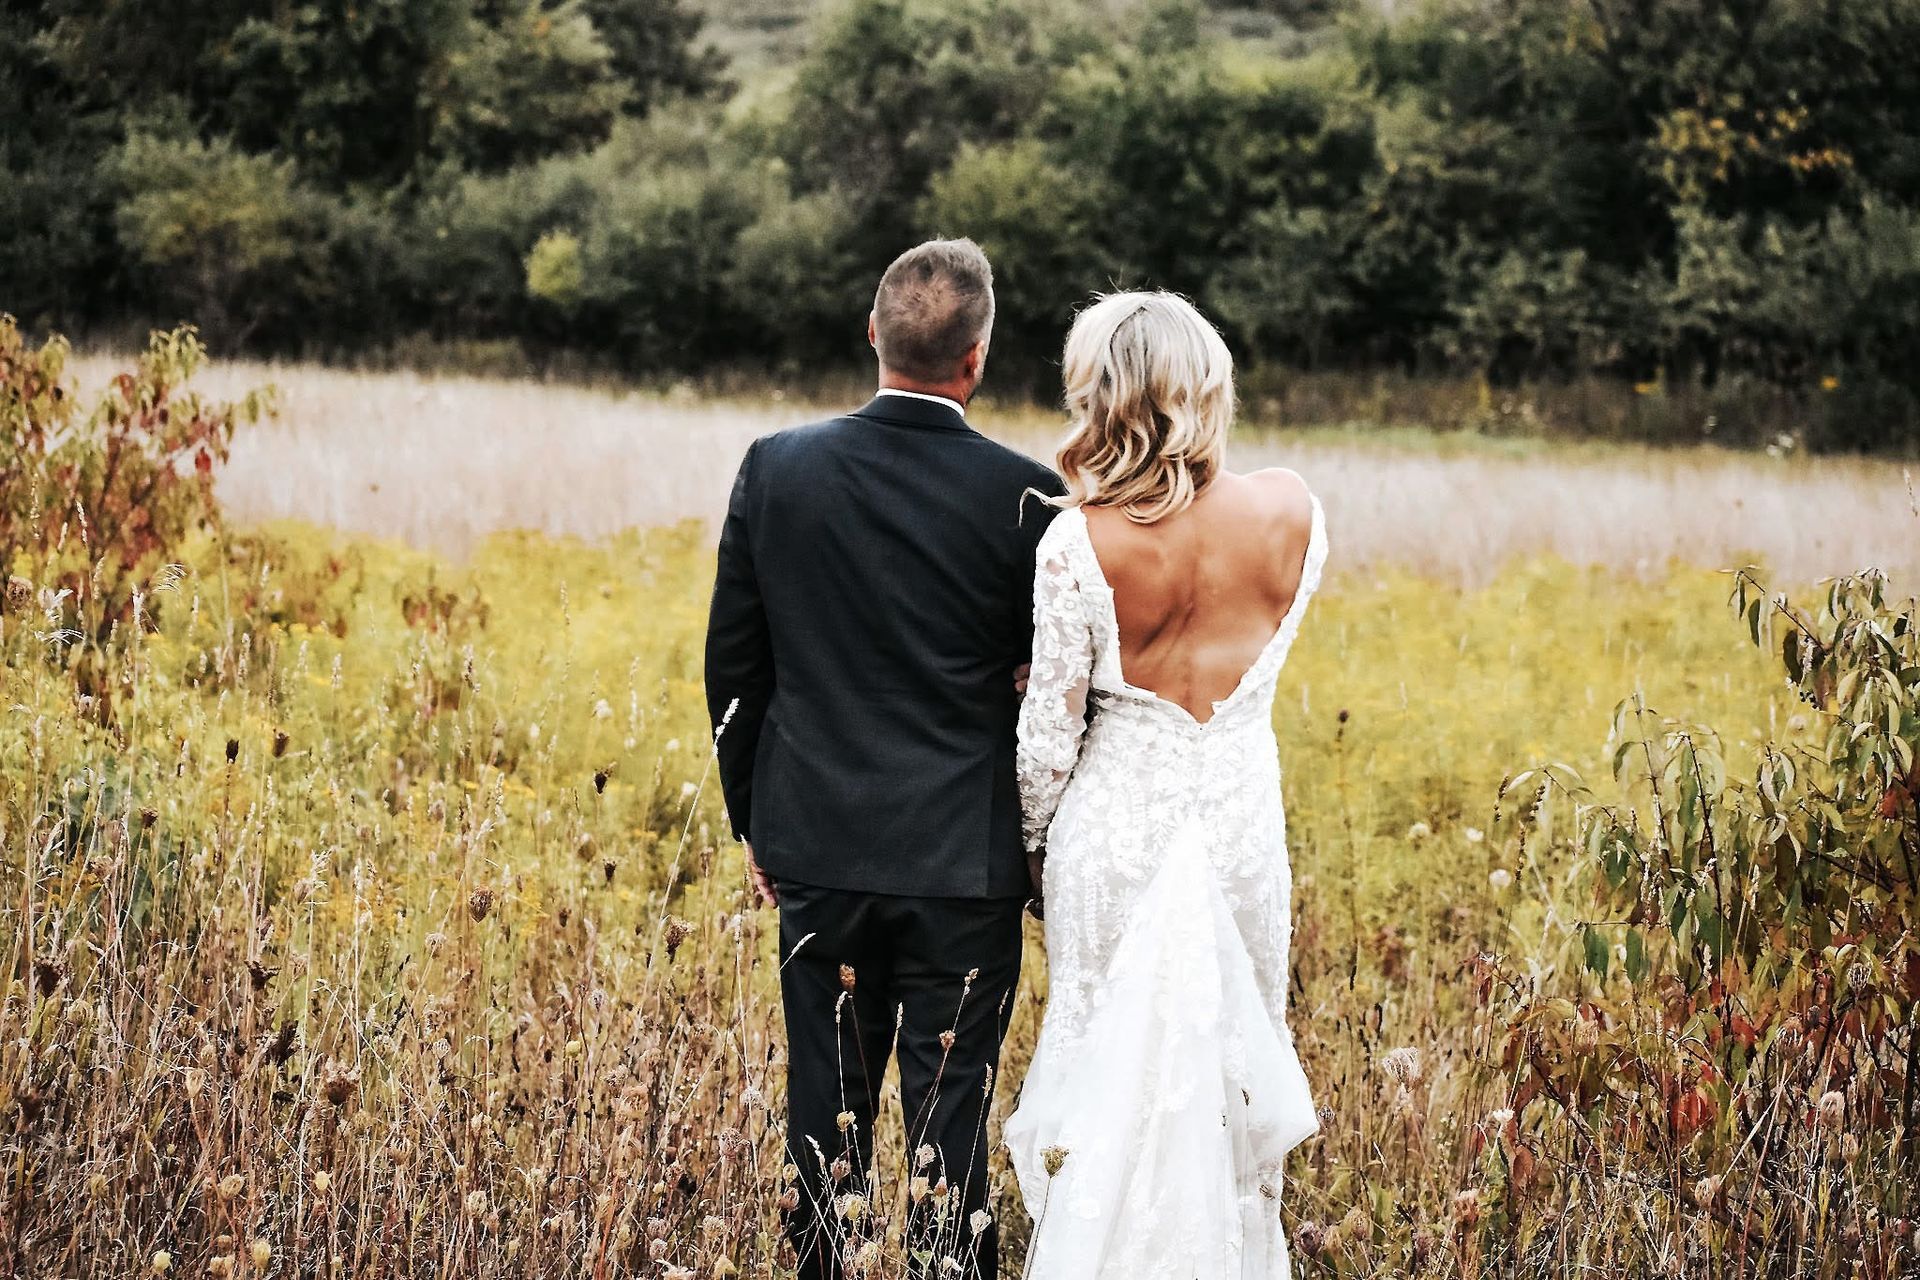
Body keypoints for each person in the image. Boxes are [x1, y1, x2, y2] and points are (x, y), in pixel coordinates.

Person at [703, 238, 1063, 1280]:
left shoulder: (777, 467)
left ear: (872, 332)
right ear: (979, 356)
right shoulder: (1027, 497)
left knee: (826, 1114)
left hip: (817, 844)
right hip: (965, 860)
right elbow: (1050, 687)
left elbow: (735, 666)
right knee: (952, 1129)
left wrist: (756, 822)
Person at [1005, 291, 1325, 1278]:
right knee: (1228, 1066)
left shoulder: (1077, 542)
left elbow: (1046, 743)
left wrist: (1029, 847)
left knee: (1110, 1073)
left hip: (1116, 837)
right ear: (1210, 384)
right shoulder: (1294, 513)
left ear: (1100, 398)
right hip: (1238, 831)